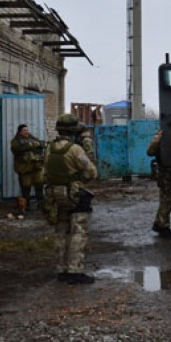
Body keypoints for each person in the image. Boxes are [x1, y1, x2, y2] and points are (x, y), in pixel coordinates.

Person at [43, 113, 98, 284]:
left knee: (61, 230)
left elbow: (45, 172)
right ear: (74, 131)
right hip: (73, 193)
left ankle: (62, 269)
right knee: (78, 231)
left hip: (55, 194)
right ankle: (75, 270)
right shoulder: (75, 149)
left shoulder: (50, 148)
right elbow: (92, 172)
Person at [147, 129, 171, 239]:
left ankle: (159, 223)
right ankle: (162, 226)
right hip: (165, 173)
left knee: (166, 199)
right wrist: (158, 138)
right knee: (167, 200)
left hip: (170, 173)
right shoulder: (161, 135)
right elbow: (150, 152)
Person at [10, 123, 45, 211]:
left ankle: (41, 204)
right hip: (25, 169)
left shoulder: (31, 138)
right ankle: (26, 206)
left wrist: (37, 144)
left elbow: (41, 144)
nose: (27, 132)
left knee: (39, 184)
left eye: (27, 130)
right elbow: (16, 149)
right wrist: (29, 146)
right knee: (26, 187)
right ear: (20, 132)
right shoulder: (16, 141)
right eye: (25, 130)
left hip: (36, 167)